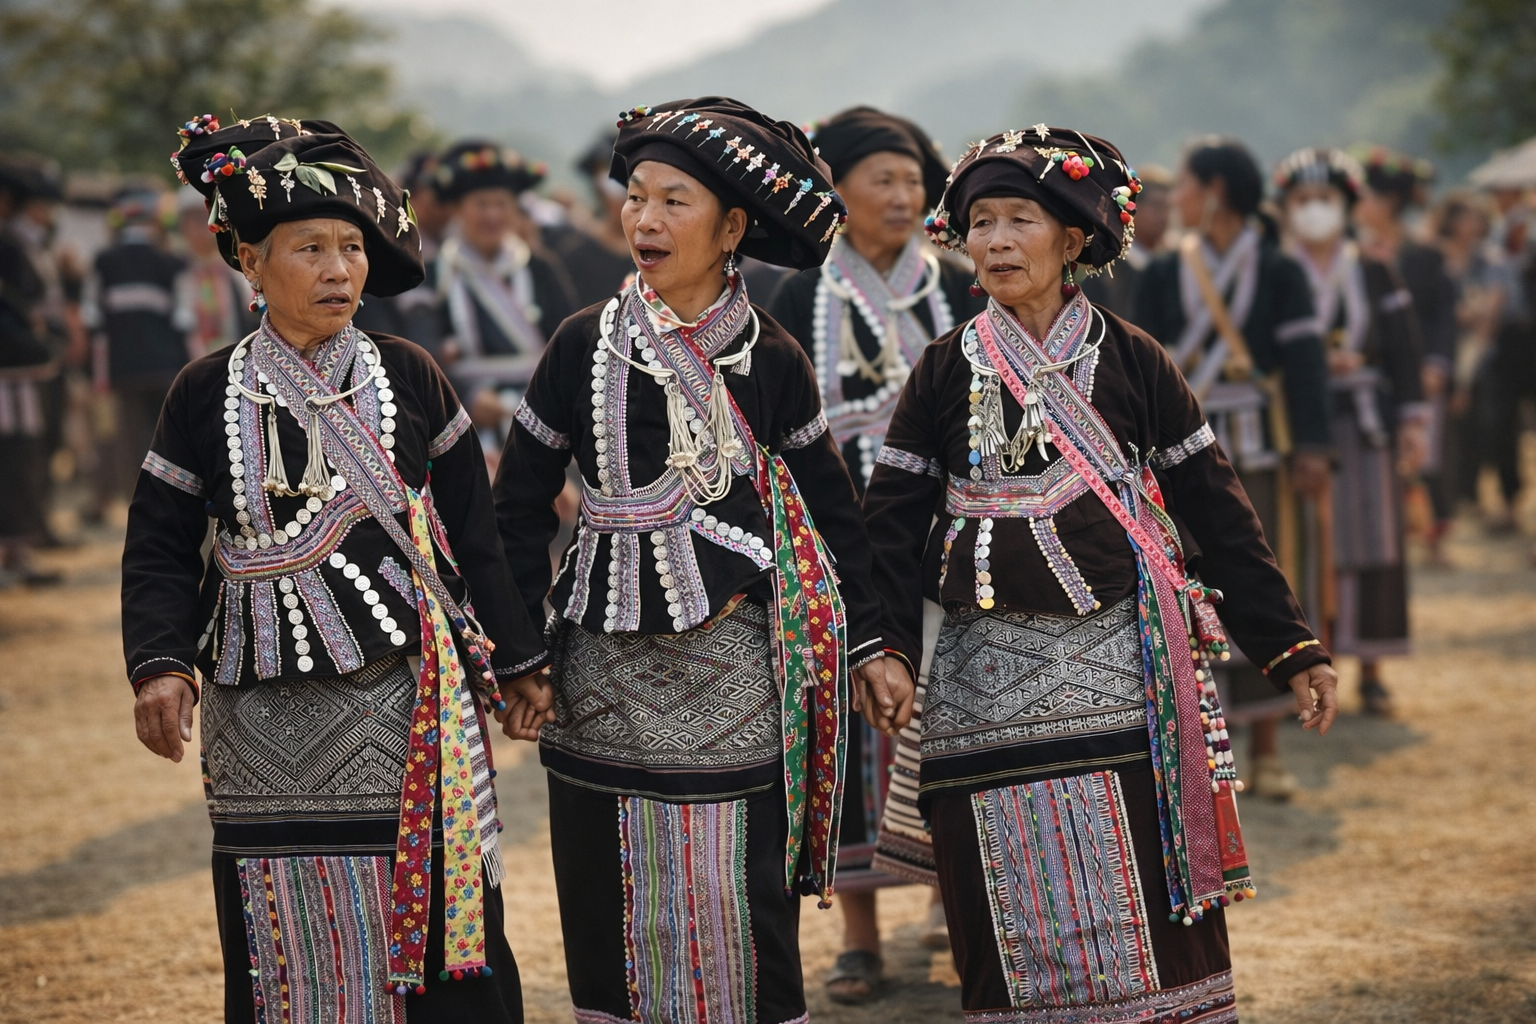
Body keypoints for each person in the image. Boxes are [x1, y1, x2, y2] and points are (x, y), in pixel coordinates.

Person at [864, 124, 1339, 1024]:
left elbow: (1214, 510)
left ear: (1073, 241)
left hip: (1124, 673)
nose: (996, 240)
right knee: (1002, 891)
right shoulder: (940, 371)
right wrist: (883, 644)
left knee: (1142, 901)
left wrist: (1290, 645)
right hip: (981, 684)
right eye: (980, 223)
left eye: (1020, 221)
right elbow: (889, 527)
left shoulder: (1133, 358)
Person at [125, 113, 551, 1023]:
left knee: (438, 920)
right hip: (258, 713)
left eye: (352, 247)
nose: (338, 269)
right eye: (308, 247)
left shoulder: (411, 373)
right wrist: (159, 663)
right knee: (280, 924)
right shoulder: (204, 392)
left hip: (402, 703)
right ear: (249, 261)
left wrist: (517, 661)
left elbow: (473, 536)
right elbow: (160, 543)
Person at [493, 96, 905, 1024]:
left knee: (736, 891)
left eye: (674, 202)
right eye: (635, 197)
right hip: (598, 669)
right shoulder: (577, 345)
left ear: (731, 229)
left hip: (737, 667)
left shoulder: (774, 359)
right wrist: (518, 657)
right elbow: (515, 510)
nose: (644, 219)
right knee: (608, 896)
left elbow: (836, 518)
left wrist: (873, 639)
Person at [765, 104, 980, 1004]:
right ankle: (859, 937)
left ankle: (954, 904)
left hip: (951, 537)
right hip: (840, 540)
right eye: (881, 180)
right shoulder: (802, 295)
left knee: (953, 716)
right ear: (837, 192)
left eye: (913, 180)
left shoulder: (961, 284)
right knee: (853, 719)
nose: (902, 196)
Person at [1135, 138, 1332, 793]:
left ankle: (1270, 745)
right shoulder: (1164, 273)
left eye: (1186, 185)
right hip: (1175, 455)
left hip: (1256, 446)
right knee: (1188, 587)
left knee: (1261, 571)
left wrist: (1311, 445)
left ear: (1214, 190)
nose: (1178, 199)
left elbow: (1306, 367)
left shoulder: (1278, 270)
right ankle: (1200, 752)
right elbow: (1141, 368)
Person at [1274, 147, 1427, 720]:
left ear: (1347, 206)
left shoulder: (1372, 267)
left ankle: (1371, 669)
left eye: (1325, 200)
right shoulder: (1275, 269)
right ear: (1285, 209)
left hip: (1364, 426)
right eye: (1302, 201)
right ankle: (1304, 667)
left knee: (1368, 540)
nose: (1314, 210)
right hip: (1295, 425)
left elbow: (1406, 350)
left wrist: (1413, 420)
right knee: (1301, 546)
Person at [1352, 145, 1457, 561]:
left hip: (1421, 367)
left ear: (1387, 202)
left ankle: (1436, 533)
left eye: (1365, 196)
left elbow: (1443, 315)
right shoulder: (1354, 254)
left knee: (1429, 451)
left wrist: (1435, 362)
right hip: (1375, 369)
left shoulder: (1425, 254)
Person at [433, 140, 577, 407]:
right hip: (460, 410)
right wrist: (466, 395)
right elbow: (426, 351)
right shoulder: (436, 272)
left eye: (502, 204)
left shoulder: (541, 267)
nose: (492, 215)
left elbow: (569, 344)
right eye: (481, 204)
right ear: (457, 209)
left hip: (539, 405)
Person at [82, 189, 192, 516]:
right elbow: (184, 317)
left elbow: (91, 315)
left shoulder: (103, 260)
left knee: (129, 435)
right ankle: (168, 498)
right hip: (167, 366)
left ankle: (139, 501)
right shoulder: (174, 262)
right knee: (166, 435)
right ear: (158, 222)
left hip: (123, 367)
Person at [0, 155, 62, 583]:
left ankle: (19, 550)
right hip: (12, 367)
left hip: (21, 368)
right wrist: (36, 342)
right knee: (14, 460)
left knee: (25, 457)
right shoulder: (9, 244)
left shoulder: (19, 243)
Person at [552, 131, 637, 309]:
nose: (624, 195)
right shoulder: (573, 256)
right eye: (613, 183)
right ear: (598, 189)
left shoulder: (664, 253)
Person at [1082, 163, 1172, 319]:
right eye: (1157, 206)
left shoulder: (1170, 266)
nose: (1164, 216)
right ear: (1133, 207)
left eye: (1168, 208)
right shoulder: (1107, 270)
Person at [174, 186, 255, 359]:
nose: (204, 226)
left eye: (209, 217)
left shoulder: (241, 268)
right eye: (195, 219)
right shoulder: (174, 269)